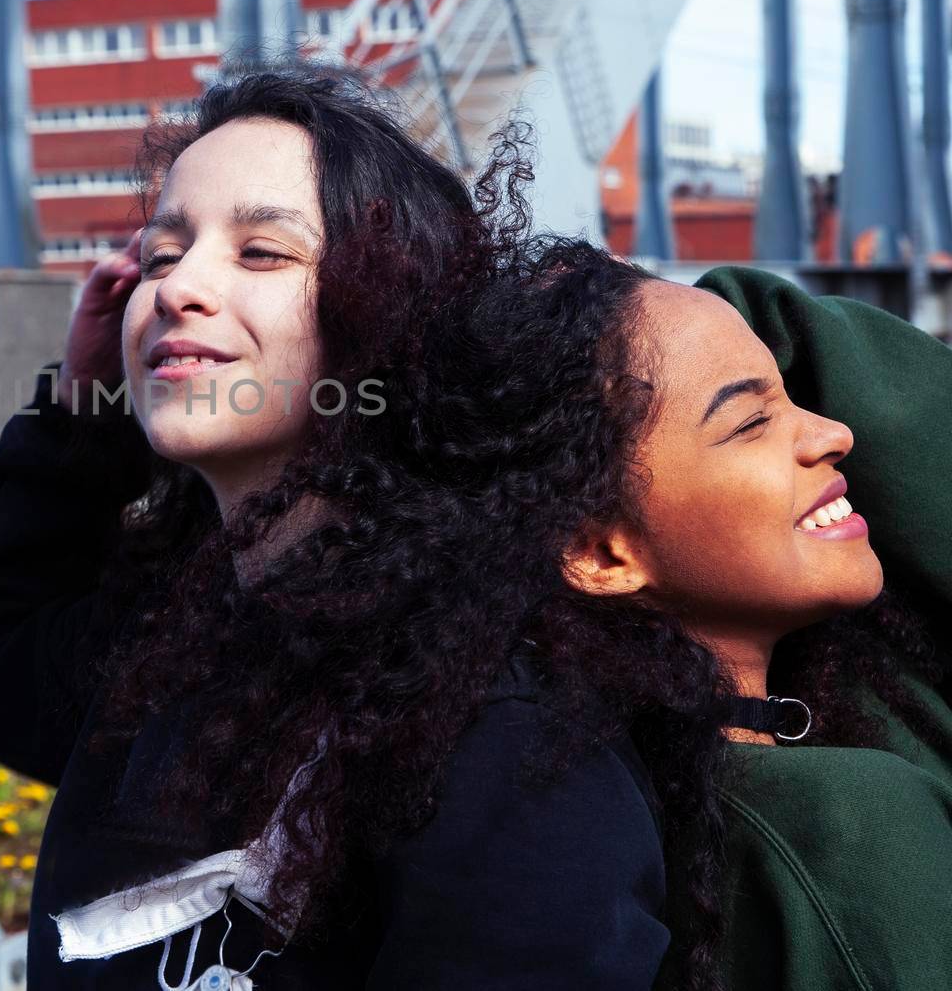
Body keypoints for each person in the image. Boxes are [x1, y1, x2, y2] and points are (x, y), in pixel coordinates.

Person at [0, 70, 673, 989]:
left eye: (262, 252)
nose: (179, 288)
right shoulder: (185, 637)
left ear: (391, 315)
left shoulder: (489, 719)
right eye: (161, 256)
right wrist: (84, 410)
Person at [402, 236, 952, 991]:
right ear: (601, 555)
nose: (834, 432)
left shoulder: (626, 796)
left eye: (791, 396)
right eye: (749, 423)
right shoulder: (853, 827)